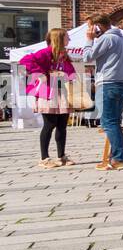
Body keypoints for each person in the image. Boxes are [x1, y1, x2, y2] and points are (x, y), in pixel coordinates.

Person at [84, 14, 123, 170]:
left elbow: (87, 57)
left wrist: (89, 40)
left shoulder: (106, 39)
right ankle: (114, 158)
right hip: (122, 83)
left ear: (98, 26)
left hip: (108, 83)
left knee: (109, 123)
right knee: (114, 122)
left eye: (90, 26)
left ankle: (119, 159)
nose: (90, 30)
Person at [19, 28, 76, 168]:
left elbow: (71, 72)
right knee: (49, 125)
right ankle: (44, 158)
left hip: (62, 92)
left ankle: (61, 156)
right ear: (59, 38)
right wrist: (41, 73)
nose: (69, 39)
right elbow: (25, 60)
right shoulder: (45, 52)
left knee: (62, 125)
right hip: (47, 91)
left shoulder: (63, 55)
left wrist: (66, 75)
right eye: (67, 37)